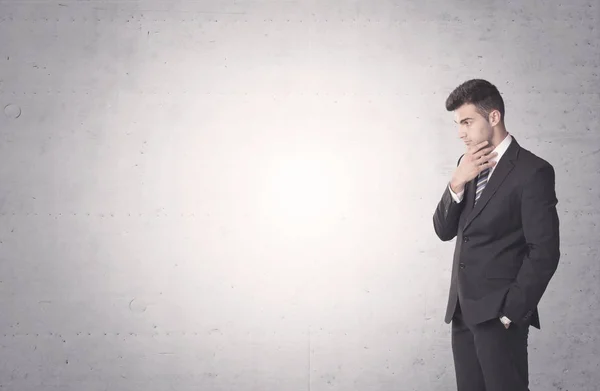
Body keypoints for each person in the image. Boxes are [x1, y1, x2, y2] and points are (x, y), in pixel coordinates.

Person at [432, 79, 561, 391]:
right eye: (457, 124)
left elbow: (544, 251)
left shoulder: (532, 171)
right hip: (463, 311)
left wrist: (510, 313)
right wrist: (457, 182)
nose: (461, 132)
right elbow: (443, 230)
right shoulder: (467, 164)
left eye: (467, 122)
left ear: (493, 117)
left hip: (499, 316)